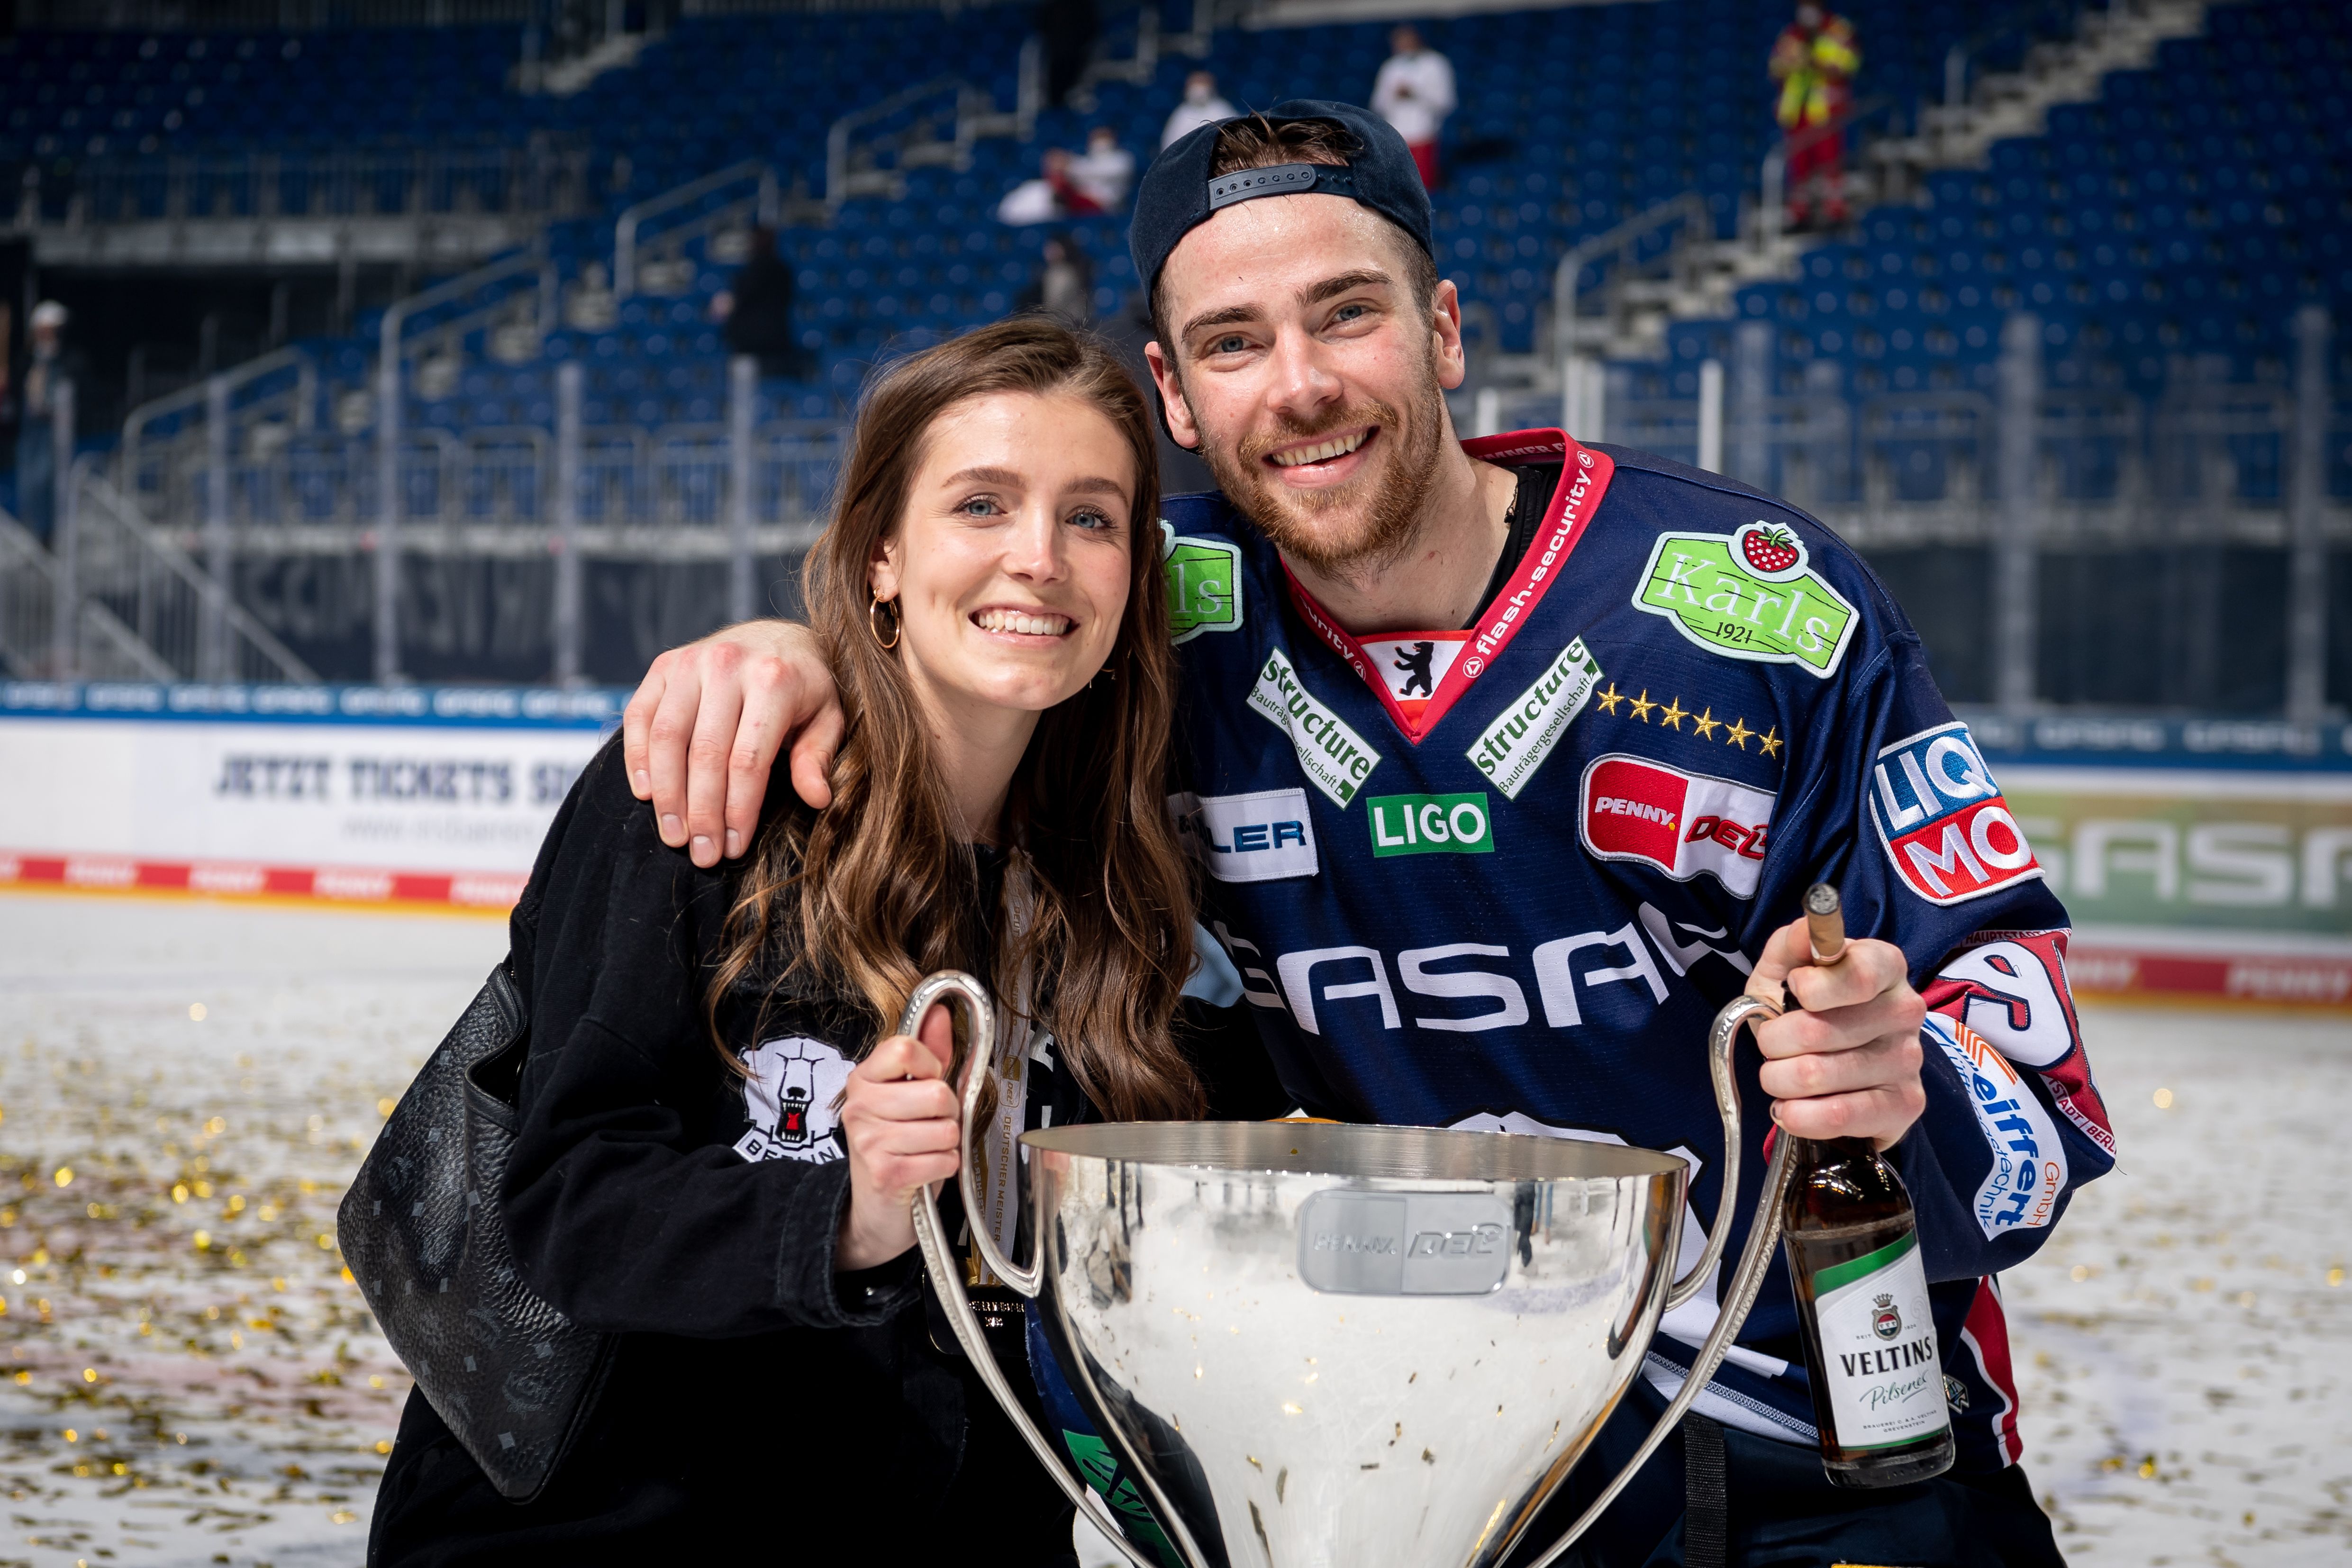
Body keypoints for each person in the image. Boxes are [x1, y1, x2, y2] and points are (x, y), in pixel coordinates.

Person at [618, 104, 2110, 1567]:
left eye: (1347, 315)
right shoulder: (1155, 611)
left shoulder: (1756, 610)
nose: (1300, 385)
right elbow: (959, 630)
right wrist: (795, 649)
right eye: (1232, 343)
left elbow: (2047, 1108)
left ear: (1444, 331)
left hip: (1817, 1439)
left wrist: (1902, 1077)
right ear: (1175, 396)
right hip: (1431, 1446)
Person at [365, 318, 1280, 1566]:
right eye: (980, 504)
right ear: (880, 557)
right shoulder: (710, 792)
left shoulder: (1116, 884)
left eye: (1090, 518)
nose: (1038, 560)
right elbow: (569, 1205)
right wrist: (844, 1213)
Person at [1771, 1, 1860, 231]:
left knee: (1830, 163)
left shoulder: (1838, 30)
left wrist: (1815, 62)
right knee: (1798, 167)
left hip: (1825, 109)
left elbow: (1848, 65)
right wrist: (1792, 63)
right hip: (1797, 110)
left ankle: (1835, 211)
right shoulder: (1791, 34)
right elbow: (1776, 68)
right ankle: (1800, 213)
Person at [12, 301, 85, 547]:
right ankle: (32, 529)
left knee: (50, 477)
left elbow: (77, 388)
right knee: (29, 478)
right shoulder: (27, 360)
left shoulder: (69, 360)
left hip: (55, 429)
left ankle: (49, 532)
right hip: (31, 428)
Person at [710, 226, 810, 379]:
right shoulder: (777, 270)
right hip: (764, 343)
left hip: (760, 343)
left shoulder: (765, 272)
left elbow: (743, 299)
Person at [1371, 24, 1455, 189]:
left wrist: (1415, 94)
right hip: (1397, 134)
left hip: (1423, 132)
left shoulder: (1436, 64)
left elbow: (1445, 101)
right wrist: (1395, 96)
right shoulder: (1390, 67)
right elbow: (1378, 103)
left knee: (1422, 187)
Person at [1018, 232, 1095, 326]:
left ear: (1063, 249)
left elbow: (1054, 305)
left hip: (1068, 325)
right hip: (1072, 322)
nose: (1047, 251)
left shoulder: (1061, 273)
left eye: (1053, 248)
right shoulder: (1064, 270)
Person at [1162, 68, 1235, 150]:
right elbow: (1169, 145)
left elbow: (1235, 137)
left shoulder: (1222, 108)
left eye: (1203, 84)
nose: (1199, 91)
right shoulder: (1181, 114)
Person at [1067, 125, 1136, 211]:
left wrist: (1083, 172)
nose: (1100, 142)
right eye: (1097, 138)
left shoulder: (1123, 159)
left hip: (1110, 204)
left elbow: (1112, 173)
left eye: (1104, 137)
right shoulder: (1087, 161)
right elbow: (1071, 170)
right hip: (1084, 201)